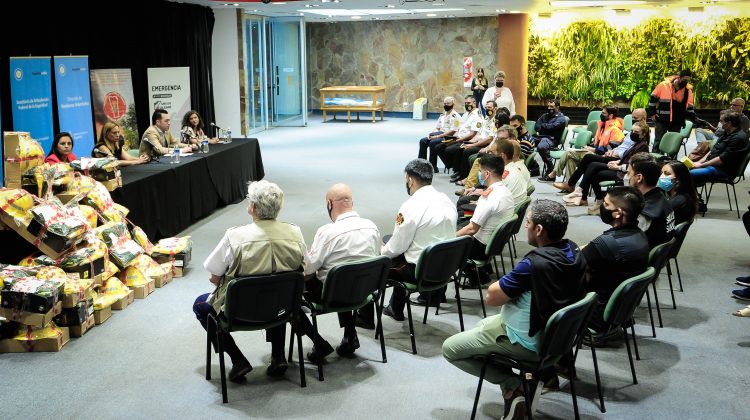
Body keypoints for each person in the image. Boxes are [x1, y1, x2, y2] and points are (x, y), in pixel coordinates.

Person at [442, 199, 586, 420]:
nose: (525, 227)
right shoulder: (574, 250)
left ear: (538, 229)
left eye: (527, 222)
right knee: (483, 325)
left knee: (451, 349)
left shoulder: (533, 265)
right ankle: (528, 383)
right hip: (558, 341)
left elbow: (492, 297)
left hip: (526, 342)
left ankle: (514, 386)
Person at [193, 180, 306, 382]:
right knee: (277, 288)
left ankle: (238, 360)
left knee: (200, 306)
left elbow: (214, 276)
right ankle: (278, 356)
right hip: (282, 308)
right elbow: (305, 266)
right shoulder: (295, 233)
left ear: (252, 207)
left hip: (240, 311)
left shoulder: (234, 236)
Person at [299, 183, 380, 363]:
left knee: (300, 285)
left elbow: (308, 269)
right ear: (352, 202)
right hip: (363, 292)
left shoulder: (327, 232)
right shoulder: (372, 227)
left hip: (332, 295)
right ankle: (350, 335)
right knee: (345, 274)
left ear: (329, 204)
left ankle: (318, 342)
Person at [379, 159, 457, 320]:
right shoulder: (446, 200)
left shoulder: (410, 206)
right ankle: (398, 305)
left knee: (379, 264)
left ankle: (365, 316)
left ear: (410, 179)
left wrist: (380, 252)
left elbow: (396, 248)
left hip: (420, 271)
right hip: (446, 267)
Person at [582, 186, 649, 332]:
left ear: (618, 213)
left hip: (595, 316)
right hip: (619, 313)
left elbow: (572, 262)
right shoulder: (641, 236)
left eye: (606, 204)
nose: (601, 207)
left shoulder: (605, 244)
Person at [562, 120, 651, 214]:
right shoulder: (635, 143)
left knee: (593, 168)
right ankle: (593, 198)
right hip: (619, 166)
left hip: (625, 173)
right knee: (592, 168)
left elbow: (636, 166)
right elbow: (627, 158)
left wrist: (618, 167)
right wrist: (616, 162)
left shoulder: (643, 146)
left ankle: (583, 192)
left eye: (636, 132)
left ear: (643, 134)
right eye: (632, 131)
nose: (633, 134)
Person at [554, 108, 647, 193]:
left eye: (635, 118)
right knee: (582, 159)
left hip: (618, 160)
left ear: (643, 118)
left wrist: (615, 157)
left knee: (583, 158)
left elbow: (632, 154)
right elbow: (622, 146)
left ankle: (566, 182)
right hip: (613, 155)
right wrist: (613, 150)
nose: (632, 119)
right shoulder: (625, 130)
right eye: (632, 117)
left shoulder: (639, 137)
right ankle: (575, 190)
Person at [456, 155, 515, 285]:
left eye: (481, 171)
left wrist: (450, 237)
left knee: (445, 245)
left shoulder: (488, 197)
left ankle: (476, 277)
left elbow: (472, 229)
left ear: (487, 173)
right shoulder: (505, 191)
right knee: (461, 224)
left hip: (480, 247)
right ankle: (482, 271)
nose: (479, 174)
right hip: (493, 243)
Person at [647, 69, 702, 153]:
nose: (686, 82)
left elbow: (690, 108)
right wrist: (652, 114)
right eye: (684, 80)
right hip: (662, 119)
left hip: (677, 121)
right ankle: (655, 161)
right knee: (658, 141)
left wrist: (696, 120)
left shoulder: (688, 91)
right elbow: (652, 100)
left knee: (673, 143)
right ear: (679, 78)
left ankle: (671, 162)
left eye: (688, 80)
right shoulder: (663, 85)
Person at [627, 153, 675, 247]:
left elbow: (628, 243)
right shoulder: (663, 198)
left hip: (641, 258)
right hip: (657, 255)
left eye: (629, 173)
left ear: (639, 178)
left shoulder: (645, 214)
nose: (627, 177)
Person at [690, 110, 750, 185]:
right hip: (714, 165)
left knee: (689, 174)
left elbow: (722, 159)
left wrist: (701, 165)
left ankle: (687, 195)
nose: (720, 123)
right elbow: (712, 151)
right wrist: (699, 162)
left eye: (721, 121)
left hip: (724, 170)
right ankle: (690, 194)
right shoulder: (726, 132)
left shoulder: (739, 138)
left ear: (729, 123)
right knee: (683, 170)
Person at [436, 96, 482, 181]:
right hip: (458, 137)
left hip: (467, 139)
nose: (467, 105)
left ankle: (458, 171)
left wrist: (458, 140)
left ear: (474, 103)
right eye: (465, 103)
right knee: (439, 147)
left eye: (469, 103)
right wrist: (454, 138)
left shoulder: (477, 115)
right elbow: (459, 128)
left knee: (452, 149)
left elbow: (473, 134)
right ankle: (453, 166)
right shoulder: (465, 114)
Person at [417, 96, 461, 172]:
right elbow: (437, 127)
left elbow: (453, 131)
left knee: (433, 143)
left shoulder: (455, 116)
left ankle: (432, 166)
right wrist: (431, 135)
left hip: (449, 136)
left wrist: (437, 136)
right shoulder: (443, 115)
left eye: (448, 103)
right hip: (439, 134)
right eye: (445, 103)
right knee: (423, 141)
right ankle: (421, 164)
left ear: (453, 104)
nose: (446, 105)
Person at [533, 99, 567, 181]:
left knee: (541, 147)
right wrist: (546, 127)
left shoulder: (561, 118)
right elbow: (536, 127)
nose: (549, 108)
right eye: (548, 106)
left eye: (551, 106)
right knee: (524, 141)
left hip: (551, 139)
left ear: (557, 107)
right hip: (540, 137)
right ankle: (532, 166)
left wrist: (543, 126)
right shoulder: (544, 116)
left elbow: (552, 127)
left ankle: (550, 167)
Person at [660, 161, 698, 225]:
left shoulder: (679, 200)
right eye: (661, 173)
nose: (661, 176)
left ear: (678, 179)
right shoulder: (680, 195)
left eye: (667, 174)